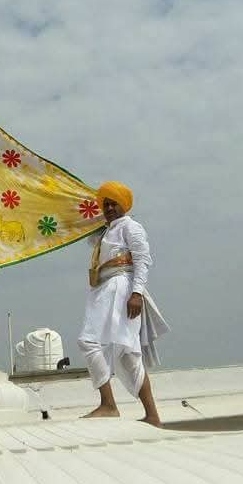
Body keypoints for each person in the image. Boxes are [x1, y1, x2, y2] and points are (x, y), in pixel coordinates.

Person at [78, 181, 169, 425]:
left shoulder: (131, 227)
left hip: (122, 288)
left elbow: (143, 260)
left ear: (123, 205)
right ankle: (148, 415)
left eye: (112, 203)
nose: (108, 207)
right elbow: (79, 226)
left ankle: (112, 406)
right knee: (121, 353)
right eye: (104, 204)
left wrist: (136, 293)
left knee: (113, 348)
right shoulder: (105, 232)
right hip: (102, 290)